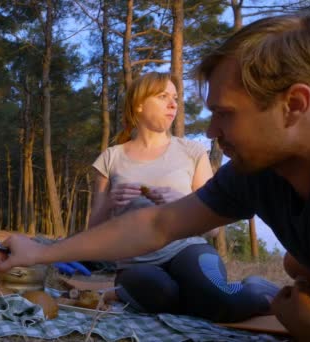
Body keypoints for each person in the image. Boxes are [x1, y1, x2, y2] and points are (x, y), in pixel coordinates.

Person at [0, 13, 310, 338]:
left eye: (225, 114)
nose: (211, 130)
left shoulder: (205, 154)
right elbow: (156, 224)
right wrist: (39, 252)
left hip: (189, 252)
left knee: (258, 282)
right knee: (292, 265)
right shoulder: (252, 173)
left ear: (294, 104)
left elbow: (201, 230)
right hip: (137, 264)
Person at [88, 71, 277, 322]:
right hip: (135, 265)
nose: (173, 103)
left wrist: (181, 201)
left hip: (188, 250)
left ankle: (258, 288)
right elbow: (93, 232)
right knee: (162, 300)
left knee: (219, 301)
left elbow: (213, 231)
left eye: (175, 97)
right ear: (139, 104)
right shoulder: (110, 158)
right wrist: (110, 201)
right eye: (163, 96)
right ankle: (189, 299)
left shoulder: (192, 152)